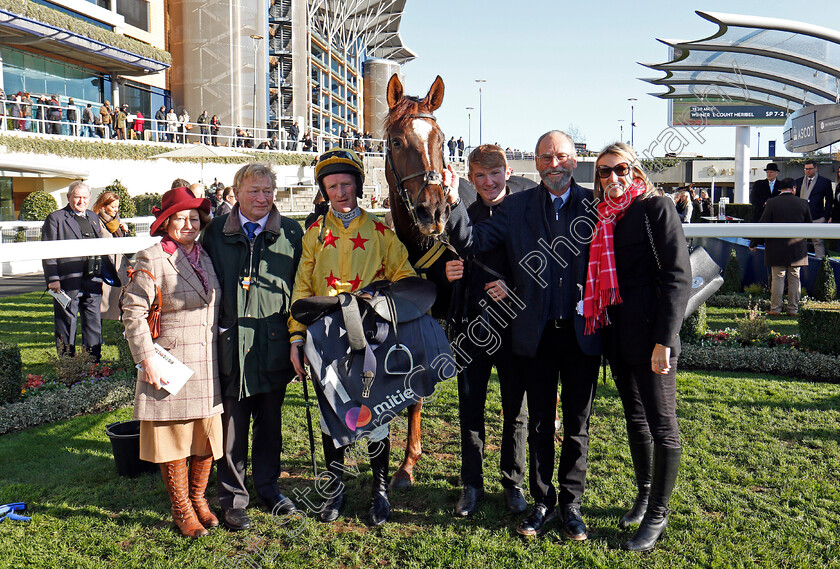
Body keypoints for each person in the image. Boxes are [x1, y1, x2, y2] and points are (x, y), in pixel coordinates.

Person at [444, 131, 602, 540]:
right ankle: (541, 501)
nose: (554, 164)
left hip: (582, 335)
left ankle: (571, 505)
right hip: (536, 338)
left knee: (576, 426)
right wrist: (451, 200)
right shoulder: (515, 208)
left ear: (575, 159)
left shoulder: (597, 205)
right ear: (535, 162)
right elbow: (472, 242)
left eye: (562, 156)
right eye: (546, 157)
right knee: (538, 425)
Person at [288, 148, 415, 527]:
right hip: (324, 338)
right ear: (324, 191)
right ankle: (335, 487)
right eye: (332, 187)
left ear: (357, 185)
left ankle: (378, 489)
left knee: (376, 413)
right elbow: (301, 287)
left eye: (346, 184)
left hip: (372, 337)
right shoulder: (314, 234)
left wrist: (379, 299)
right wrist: (296, 339)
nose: (340, 192)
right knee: (332, 414)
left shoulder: (379, 232)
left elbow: (405, 278)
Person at [585, 143, 691, 552]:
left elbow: (677, 277)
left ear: (635, 171)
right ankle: (645, 496)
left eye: (620, 169)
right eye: (604, 172)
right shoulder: (603, 217)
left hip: (653, 339)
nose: (613, 178)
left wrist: (664, 340)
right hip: (618, 336)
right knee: (636, 420)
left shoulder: (655, 208)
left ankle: (658, 514)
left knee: (663, 426)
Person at [202, 163, 303, 531]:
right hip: (230, 348)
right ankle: (232, 498)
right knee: (232, 428)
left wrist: (298, 338)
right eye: (253, 191)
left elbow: (301, 287)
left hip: (274, 346)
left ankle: (269, 489)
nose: (261, 198)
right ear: (237, 193)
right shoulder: (215, 232)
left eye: (267, 191)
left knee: (271, 425)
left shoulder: (292, 233)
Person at [121, 186, 222, 538]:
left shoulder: (205, 256)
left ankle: (199, 499)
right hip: (170, 364)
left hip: (206, 363)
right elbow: (132, 313)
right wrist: (145, 358)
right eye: (180, 218)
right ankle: (182, 510)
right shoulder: (151, 257)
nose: (189, 224)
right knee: (175, 443)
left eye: (194, 218)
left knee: (205, 440)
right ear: (166, 222)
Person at [445, 145, 527, 518]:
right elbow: (444, 263)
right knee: (470, 410)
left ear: (507, 173)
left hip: (514, 329)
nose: (488, 182)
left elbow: (542, 268)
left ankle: (513, 484)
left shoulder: (525, 212)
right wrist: (445, 275)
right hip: (470, 327)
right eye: (479, 176)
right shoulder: (463, 214)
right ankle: (471, 485)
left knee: (516, 411)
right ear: (470, 177)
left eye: (494, 174)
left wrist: (513, 286)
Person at [41, 181, 105, 361]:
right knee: (66, 323)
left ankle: (93, 362)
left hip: (92, 280)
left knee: (93, 323)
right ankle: (68, 364)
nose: (81, 201)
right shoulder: (56, 218)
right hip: (67, 282)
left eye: (85, 197)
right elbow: (48, 251)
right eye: (77, 197)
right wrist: (53, 279)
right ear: (69, 197)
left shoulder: (93, 217)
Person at [750, 178, 812, 317]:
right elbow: (810, 225)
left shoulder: (772, 203)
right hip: (797, 247)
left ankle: (775, 309)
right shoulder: (803, 203)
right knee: (795, 277)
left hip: (776, 247)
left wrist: (754, 242)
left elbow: (763, 224)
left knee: (778, 277)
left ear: (780, 189)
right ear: (794, 188)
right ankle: (793, 309)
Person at [795, 160, 833, 258]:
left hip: (817, 217)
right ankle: (799, 264)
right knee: (798, 241)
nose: (808, 171)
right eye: (806, 169)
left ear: (816, 168)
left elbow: (829, 201)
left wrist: (825, 216)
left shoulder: (824, 182)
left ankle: (821, 266)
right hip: (801, 217)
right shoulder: (798, 182)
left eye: (810, 169)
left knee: (818, 242)